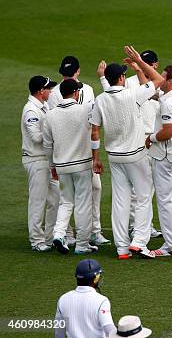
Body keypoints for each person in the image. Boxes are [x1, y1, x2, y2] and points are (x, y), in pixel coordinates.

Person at [90, 46, 164, 259]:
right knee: (142, 197)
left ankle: (122, 248)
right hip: (136, 154)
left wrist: (96, 159)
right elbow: (158, 80)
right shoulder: (133, 95)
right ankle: (139, 242)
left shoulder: (100, 99)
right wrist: (140, 62)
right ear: (122, 77)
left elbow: (95, 131)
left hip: (114, 156)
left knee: (121, 201)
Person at [49, 55, 109, 246]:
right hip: (80, 156)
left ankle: (93, 232)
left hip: (73, 155)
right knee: (77, 200)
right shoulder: (54, 94)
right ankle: (73, 237)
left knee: (90, 191)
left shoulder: (88, 90)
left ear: (77, 72)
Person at [44, 79, 98, 255]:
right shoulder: (85, 109)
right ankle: (82, 244)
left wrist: (52, 166)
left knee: (66, 202)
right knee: (83, 204)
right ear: (76, 93)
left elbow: (47, 145)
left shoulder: (50, 115)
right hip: (82, 165)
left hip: (61, 166)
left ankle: (59, 235)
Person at [145, 65, 172, 257]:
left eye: (162, 78)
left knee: (165, 201)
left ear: (170, 81)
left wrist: (151, 138)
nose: (159, 80)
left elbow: (168, 132)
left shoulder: (168, 103)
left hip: (164, 156)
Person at [21, 75, 59, 251]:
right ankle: (36, 240)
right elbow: (36, 137)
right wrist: (54, 133)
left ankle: (50, 237)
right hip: (36, 160)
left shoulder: (43, 106)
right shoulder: (31, 110)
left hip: (47, 160)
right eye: (48, 88)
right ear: (40, 91)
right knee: (38, 201)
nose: (50, 91)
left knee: (56, 198)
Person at [55, 259, 116, 338]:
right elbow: (109, 330)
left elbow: (59, 333)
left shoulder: (63, 299)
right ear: (95, 278)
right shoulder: (102, 301)